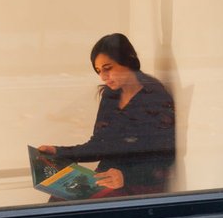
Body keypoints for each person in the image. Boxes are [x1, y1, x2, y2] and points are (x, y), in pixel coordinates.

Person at [35, 33, 176, 197]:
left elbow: (166, 157)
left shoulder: (154, 96)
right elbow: (99, 145)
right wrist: (58, 152)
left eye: (108, 68)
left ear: (127, 61)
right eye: (99, 71)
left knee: (74, 206)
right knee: (60, 197)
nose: (103, 77)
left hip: (138, 182)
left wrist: (126, 176)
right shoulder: (110, 95)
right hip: (107, 178)